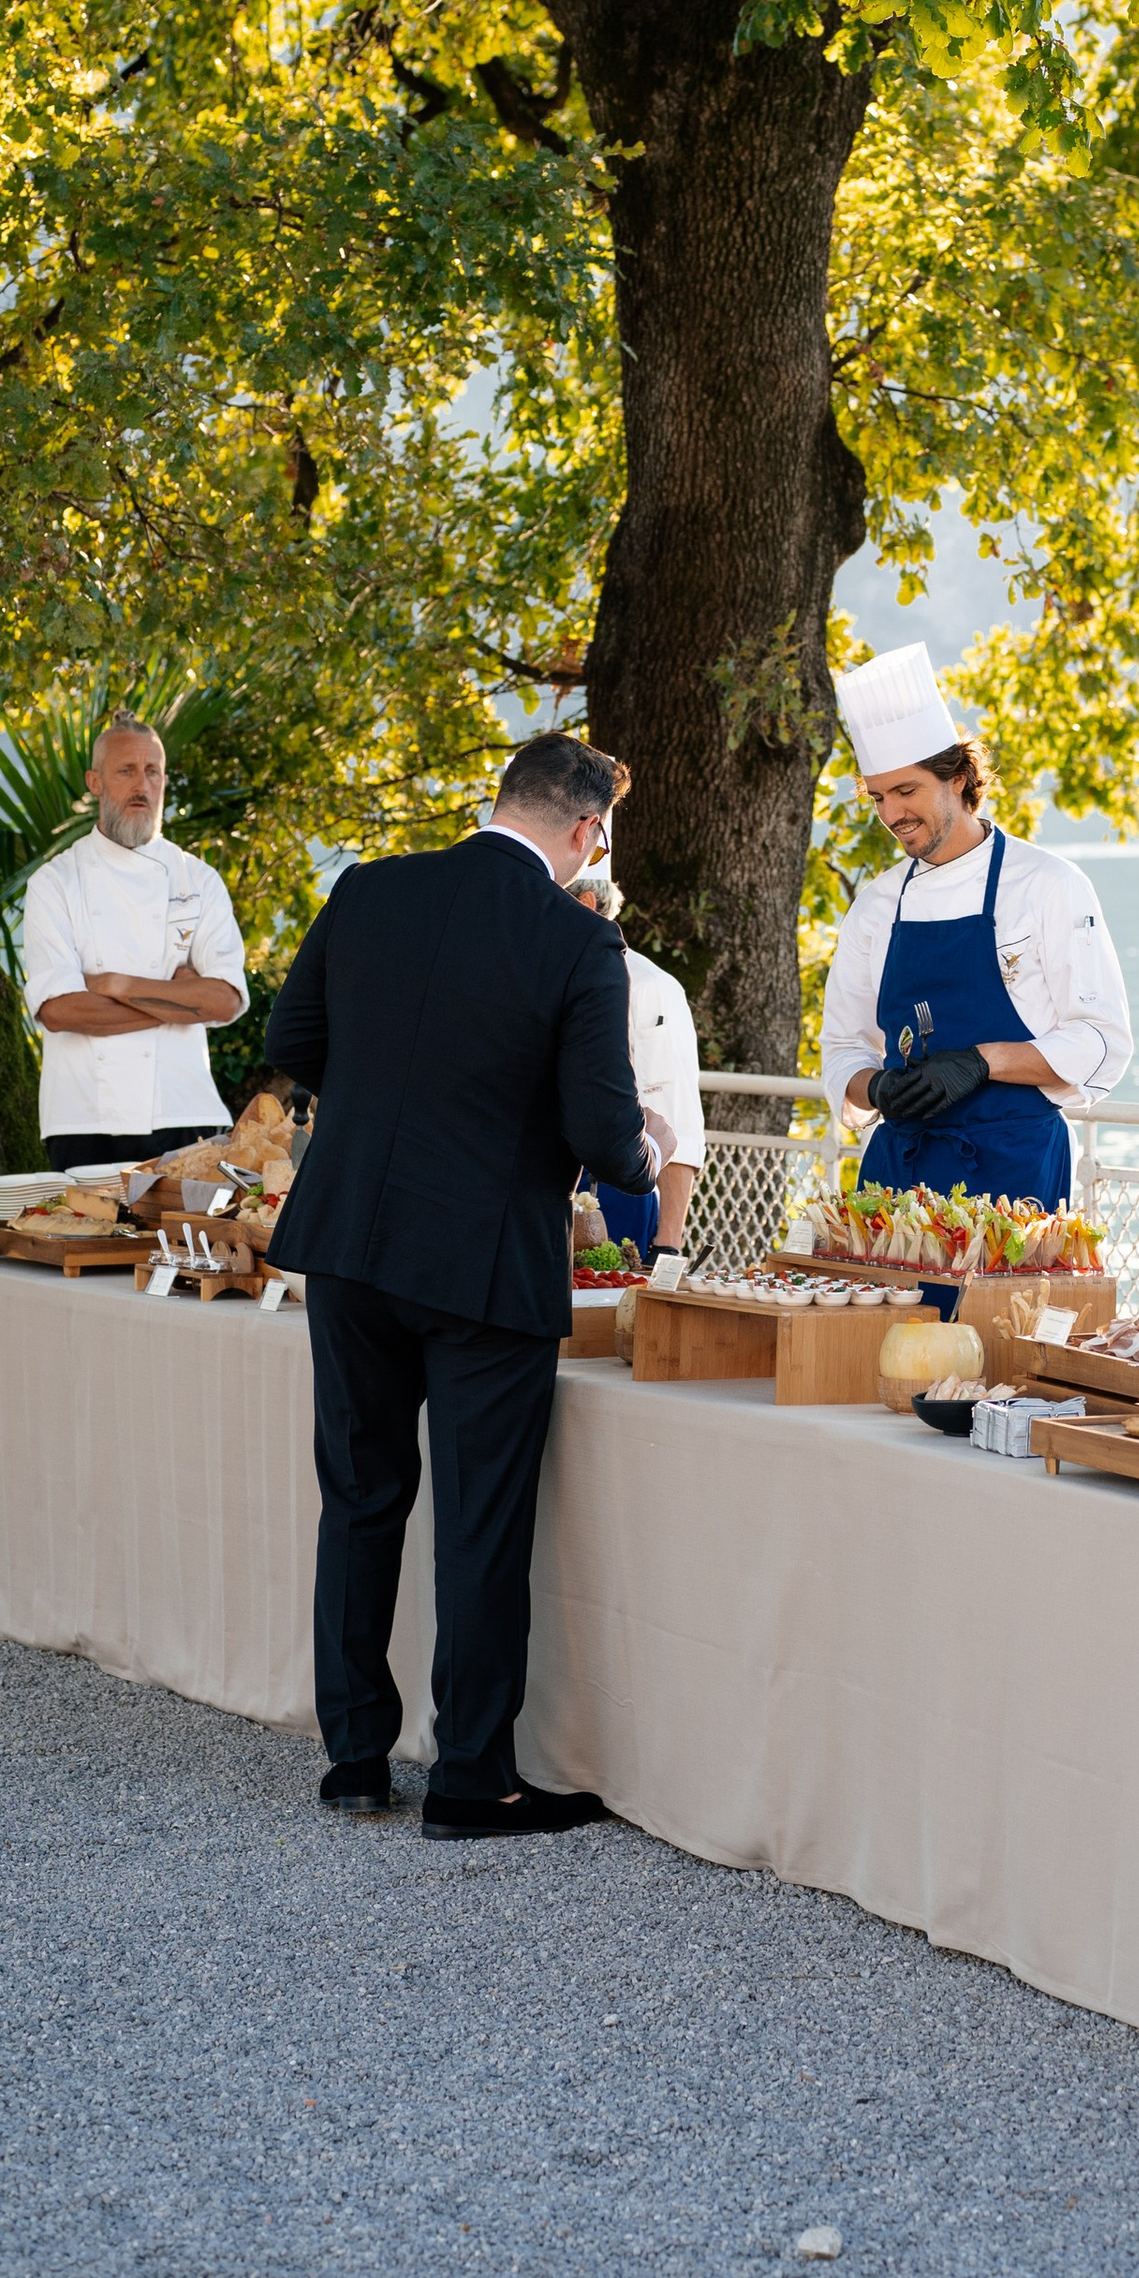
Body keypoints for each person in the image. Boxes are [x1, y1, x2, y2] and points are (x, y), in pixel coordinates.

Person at [264, 730, 659, 1840]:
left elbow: (294, 1037)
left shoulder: (371, 889)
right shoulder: (581, 941)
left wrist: (399, 1103)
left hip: (350, 1239)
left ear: (501, 800)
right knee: (479, 1522)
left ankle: (353, 1759)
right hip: (484, 1256)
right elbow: (597, 1126)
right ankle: (472, 1776)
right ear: (586, 832)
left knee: (360, 1495)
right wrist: (644, 1151)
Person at [819, 644, 1133, 1207]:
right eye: (878, 798)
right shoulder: (877, 905)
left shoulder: (1046, 884)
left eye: (906, 791)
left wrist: (982, 1061)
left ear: (960, 778)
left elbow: (1100, 1038)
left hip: (1015, 1172)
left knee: (1002, 1302)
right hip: (899, 1171)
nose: (892, 815)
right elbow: (844, 1046)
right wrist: (880, 1088)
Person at [23, 712, 250, 1171]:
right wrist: (179, 996)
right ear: (95, 781)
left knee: (192, 1245)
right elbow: (59, 1010)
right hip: (82, 1118)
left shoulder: (198, 880)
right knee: (91, 1242)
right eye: (126, 770)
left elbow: (224, 1001)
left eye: (152, 772)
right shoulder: (55, 882)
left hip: (187, 1110)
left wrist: (113, 984)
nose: (141, 786)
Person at [570, 852, 705, 1258]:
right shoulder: (539, 976)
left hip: (620, 1189)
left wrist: (668, 1243)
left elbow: (677, 1118)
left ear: (585, 905)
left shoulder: (651, 989)